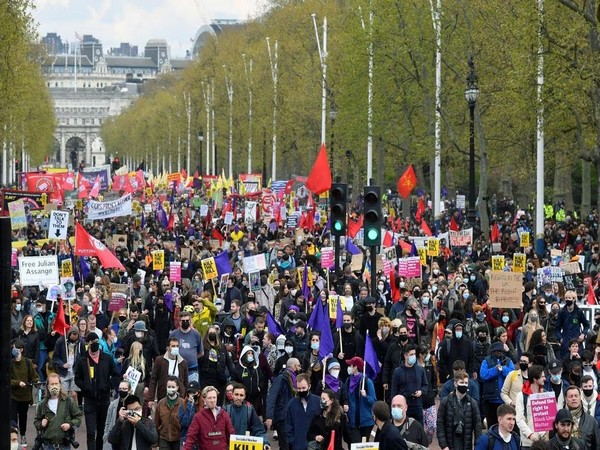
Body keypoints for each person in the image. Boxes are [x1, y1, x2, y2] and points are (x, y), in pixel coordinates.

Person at [74, 332, 119, 450]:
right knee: (90, 432)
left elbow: (116, 375)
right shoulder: (83, 360)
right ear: (88, 344)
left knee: (101, 432)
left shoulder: (107, 358)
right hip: (89, 400)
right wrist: (85, 387)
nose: (94, 344)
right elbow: (77, 378)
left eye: (96, 342)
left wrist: (108, 386)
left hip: (104, 400)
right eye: (92, 342)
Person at [33, 372, 83, 450]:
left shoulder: (68, 401)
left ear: (60, 384)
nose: (54, 386)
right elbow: (36, 421)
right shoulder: (42, 404)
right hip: (47, 446)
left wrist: (70, 425)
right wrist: (41, 424)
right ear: (47, 386)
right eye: (52, 384)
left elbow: (78, 417)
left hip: (64, 445)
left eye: (56, 383)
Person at [436, 370, 482, 450]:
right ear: (455, 383)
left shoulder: (472, 403)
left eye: (466, 383)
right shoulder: (446, 402)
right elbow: (440, 425)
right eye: (461, 382)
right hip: (449, 445)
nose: (464, 385)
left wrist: (478, 446)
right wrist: (444, 445)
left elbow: (478, 427)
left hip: (466, 445)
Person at [182, 386, 235, 450]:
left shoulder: (224, 415)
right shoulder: (198, 417)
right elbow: (191, 437)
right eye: (209, 398)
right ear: (204, 399)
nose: (212, 400)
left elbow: (231, 435)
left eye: (214, 397)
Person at [265, 357, 301, 450]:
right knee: (285, 445)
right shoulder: (281, 379)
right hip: (283, 416)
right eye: (299, 366)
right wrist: (269, 416)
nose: (300, 368)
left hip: (292, 416)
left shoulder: (294, 379)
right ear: (294, 366)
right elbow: (271, 397)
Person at [390, 344, 429, 423]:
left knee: (418, 430)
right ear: (405, 356)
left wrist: (421, 391)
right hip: (404, 407)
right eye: (411, 354)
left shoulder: (420, 370)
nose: (413, 356)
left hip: (417, 405)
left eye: (414, 354)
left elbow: (425, 385)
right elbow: (394, 391)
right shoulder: (398, 371)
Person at [341, 356, 377, 444]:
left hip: (365, 422)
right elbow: (344, 397)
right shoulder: (348, 381)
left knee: (364, 446)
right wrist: (345, 404)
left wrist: (365, 396)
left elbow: (373, 401)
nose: (349, 368)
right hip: (352, 422)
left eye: (350, 365)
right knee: (354, 445)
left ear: (356, 367)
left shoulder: (367, 382)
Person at [11, 339, 39, 446]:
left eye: (16, 348)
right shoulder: (10, 363)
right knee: (13, 419)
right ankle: (14, 438)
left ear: (21, 350)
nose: (13, 350)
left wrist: (36, 381)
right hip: (13, 395)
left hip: (25, 396)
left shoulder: (27, 362)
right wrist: (18, 383)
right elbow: (7, 379)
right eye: (13, 347)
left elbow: (34, 376)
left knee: (23, 418)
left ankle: (23, 436)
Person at [480, 341, 515, 427]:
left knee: (505, 425)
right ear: (493, 351)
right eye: (496, 351)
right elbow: (483, 375)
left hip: (504, 400)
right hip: (490, 399)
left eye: (500, 351)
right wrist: (495, 370)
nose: (499, 353)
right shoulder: (486, 361)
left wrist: (503, 369)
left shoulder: (508, 361)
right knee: (492, 425)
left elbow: (513, 373)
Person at [148, 337, 189, 411]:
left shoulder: (183, 363)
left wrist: (185, 399)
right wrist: (151, 398)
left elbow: (186, 382)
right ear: (168, 348)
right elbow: (153, 380)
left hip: (179, 398)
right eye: (173, 346)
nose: (175, 348)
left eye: (177, 346)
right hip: (163, 396)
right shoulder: (159, 361)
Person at [223, 383, 270, 447]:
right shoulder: (225, 410)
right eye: (236, 394)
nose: (238, 398)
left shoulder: (249, 410)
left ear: (244, 396)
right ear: (232, 395)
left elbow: (258, 430)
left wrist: (265, 442)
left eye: (241, 395)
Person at [154, 375, 193, 450]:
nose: (170, 389)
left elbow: (187, 423)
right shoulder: (161, 403)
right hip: (164, 439)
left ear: (177, 387)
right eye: (168, 387)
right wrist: (155, 443)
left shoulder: (183, 403)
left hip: (178, 439)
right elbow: (156, 423)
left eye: (173, 387)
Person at [515, 364, 549, 448]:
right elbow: (519, 419)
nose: (544, 379)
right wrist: (530, 435)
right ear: (535, 379)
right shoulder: (521, 396)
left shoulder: (546, 394)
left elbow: (549, 417)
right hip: (528, 443)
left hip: (543, 443)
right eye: (542, 377)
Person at [286, 373, 322, 450]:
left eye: (303, 388)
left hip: (315, 444)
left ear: (309, 386)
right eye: (299, 388)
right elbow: (288, 424)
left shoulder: (318, 401)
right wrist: (292, 440)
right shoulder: (292, 403)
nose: (301, 390)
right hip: (297, 445)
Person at [564, 384, 600, 449]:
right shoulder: (560, 420)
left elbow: (598, 445)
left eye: (576, 396)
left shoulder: (591, 421)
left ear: (580, 398)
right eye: (570, 396)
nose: (574, 398)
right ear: (566, 399)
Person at [556, 290, 589, 359]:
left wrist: (583, 334)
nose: (567, 300)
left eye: (569, 298)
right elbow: (557, 329)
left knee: (578, 362)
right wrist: (560, 338)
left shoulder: (579, 312)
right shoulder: (561, 312)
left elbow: (586, 325)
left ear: (574, 299)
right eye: (566, 298)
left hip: (577, 342)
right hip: (565, 343)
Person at [102, 380, 132, 450]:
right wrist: (105, 436)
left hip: (128, 440)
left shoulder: (134, 405)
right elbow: (107, 422)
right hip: (115, 440)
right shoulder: (113, 405)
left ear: (129, 390)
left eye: (124, 389)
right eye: (120, 389)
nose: (122, 391)